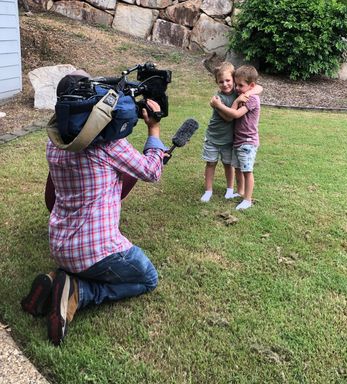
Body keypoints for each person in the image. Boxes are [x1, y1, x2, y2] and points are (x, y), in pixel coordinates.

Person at [21, 71, 167, 346]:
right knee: (148, 278)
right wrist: (154, 130)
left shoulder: (55, 141)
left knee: (89, 265)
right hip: (95, 252)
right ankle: (79, 291)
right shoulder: (109, 145)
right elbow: (152, 171)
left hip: (59, 244)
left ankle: (55, 281)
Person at [201, 62, 261, 203]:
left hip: (231, 140)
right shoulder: (217, 100)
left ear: (234, 80)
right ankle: (208, 191)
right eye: (220, 82)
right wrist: (221, 105)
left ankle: (231, 190)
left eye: (228, 80)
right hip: (214, 137)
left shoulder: (240, 92)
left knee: (229, 165)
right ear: (216, 82)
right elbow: (228, 117)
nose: (225, 84)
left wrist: (247, 93)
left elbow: (258, 87)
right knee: (211, 163)